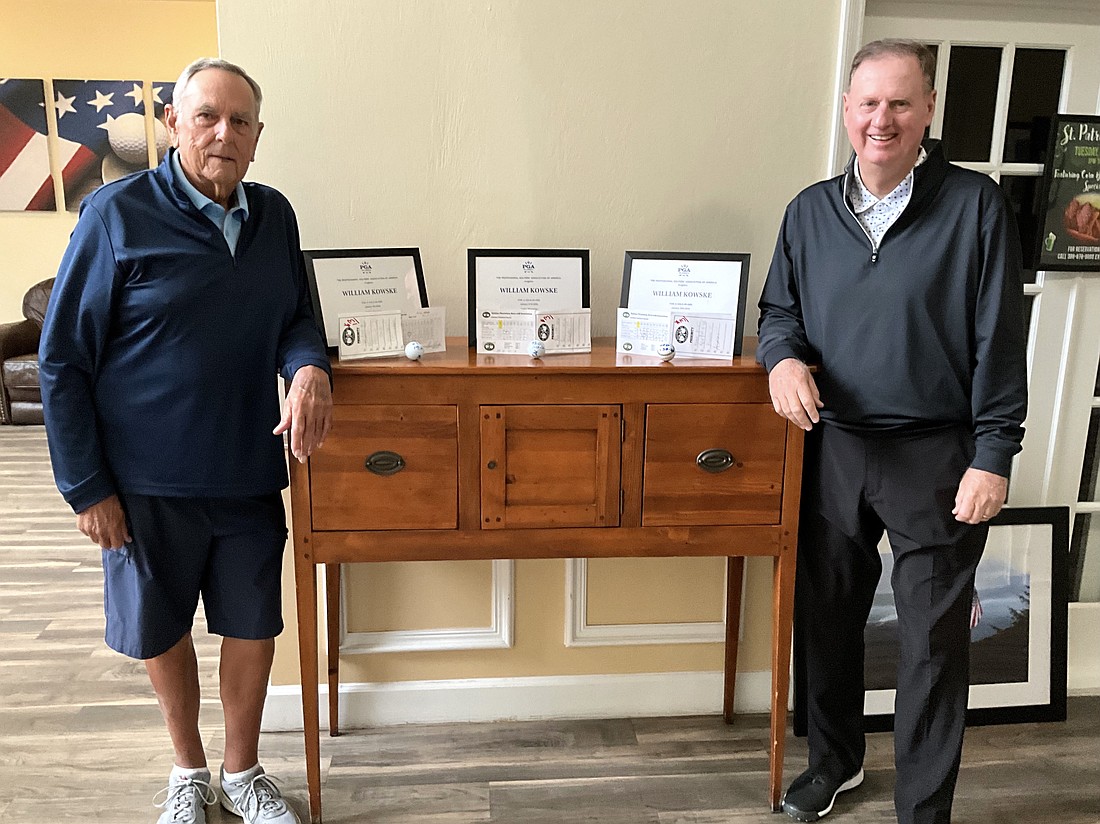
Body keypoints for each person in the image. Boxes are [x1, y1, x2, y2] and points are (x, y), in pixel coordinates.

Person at [39, 58, 333, 824]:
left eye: (240, 122)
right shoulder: (115, 215)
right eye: (206, 117)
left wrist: (307, 369)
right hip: (143, 482)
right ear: (175, 123)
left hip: (245, 468)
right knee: (159, 630)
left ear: (258, 138)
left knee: (252, 625)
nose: (222, 134)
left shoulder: (275, 216)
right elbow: (61, 359)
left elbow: (296, 316)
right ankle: (188, 773)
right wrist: (86, 486)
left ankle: (242, 773)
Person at [757, 39, 1027, 824]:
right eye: (868, 103)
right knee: (830, 621)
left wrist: (994, 454)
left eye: (901, 103)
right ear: (846, 111)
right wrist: (780, 363)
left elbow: (999, 342)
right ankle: (835, 763)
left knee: (933, 648)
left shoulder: (976, 207)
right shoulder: (808, 211)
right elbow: (780, 313)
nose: (883, 119)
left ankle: (923, 810)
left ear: (927, 112)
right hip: (832, 450)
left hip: (936, 457)